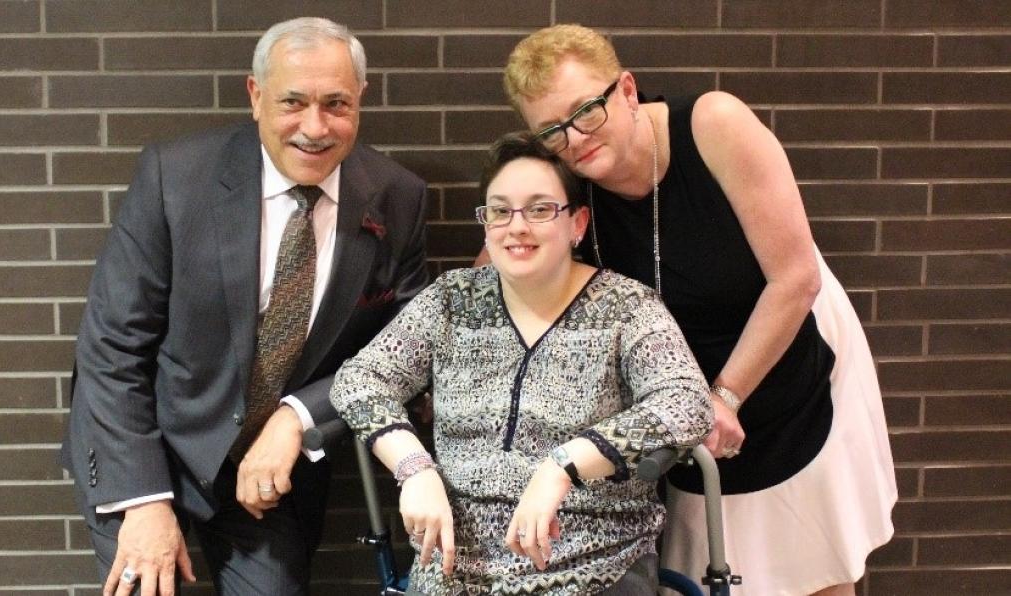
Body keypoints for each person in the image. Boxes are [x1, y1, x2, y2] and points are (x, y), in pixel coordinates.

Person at [484, 24, 898, 596]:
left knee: (815, 565)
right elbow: (499, 256)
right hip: (679, 398)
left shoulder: (713, 124)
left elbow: (795, 277)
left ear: (627, 90)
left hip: (785, 358)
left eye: (587, 111)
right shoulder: (564, 177)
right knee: (714, 568)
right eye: (552, 130)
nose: (575, 139)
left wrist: (726, 394)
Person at [61, 17, 428, 595]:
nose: (315, 127)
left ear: (360, 98)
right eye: (293, 102)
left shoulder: (397, 196)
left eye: (336, 103)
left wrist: (297, 417)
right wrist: (144, 501)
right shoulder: (175, 178)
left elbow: (398, 351)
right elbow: (111, 349)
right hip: (152, 441)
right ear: (256, 96)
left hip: (270, 470)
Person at [331, 132, 715, 595]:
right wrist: (414, 467)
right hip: (455, 567)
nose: (517, 226)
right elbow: (359, 379)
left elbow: (687, 401)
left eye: (539, 209)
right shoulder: (451, 301)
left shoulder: (627, 308)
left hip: (593, 563)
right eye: (500, 210)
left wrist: (562, 466)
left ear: (577, 223)